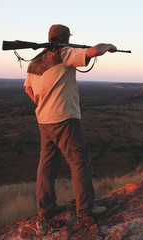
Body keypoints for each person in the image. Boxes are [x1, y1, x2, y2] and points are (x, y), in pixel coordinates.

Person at [24, 24, 117, 219]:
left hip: (44, 120)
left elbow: (28, 90)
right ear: (66, 39)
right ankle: (85, 209)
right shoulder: (63, 53)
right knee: (79, 163)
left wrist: (44, 103)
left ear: (49, 37)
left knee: (46, 166)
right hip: (65, 119)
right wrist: (109, 46)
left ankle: (46, 209)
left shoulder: (35, 60)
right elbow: (94, 51)